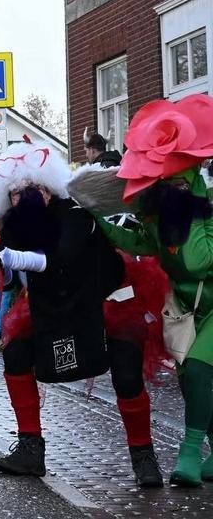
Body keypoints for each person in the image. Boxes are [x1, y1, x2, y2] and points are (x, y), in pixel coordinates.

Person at [0, 139, 166, 488]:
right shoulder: (13, 227)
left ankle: (143, 454)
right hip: (53, 303)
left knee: (126, 377)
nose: (25, 197)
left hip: (109, 298)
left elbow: (62, 259)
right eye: (16, 192)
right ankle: (30, 448)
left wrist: (14, 258)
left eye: (32, 188)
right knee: (16, 351)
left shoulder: (77, 215)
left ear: (48, 188)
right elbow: (4, 278)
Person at [92, 94, 213, 487]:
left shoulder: (204, 207)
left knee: (196, 370)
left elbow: (197, 261)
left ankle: (190, 452)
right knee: (193, 376)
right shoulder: (160, 213)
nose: (173, 184)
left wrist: (192, 207)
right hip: (185, 306)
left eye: (181, 178)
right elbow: (141, 244)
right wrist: (97, 220)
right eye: (168, 179)